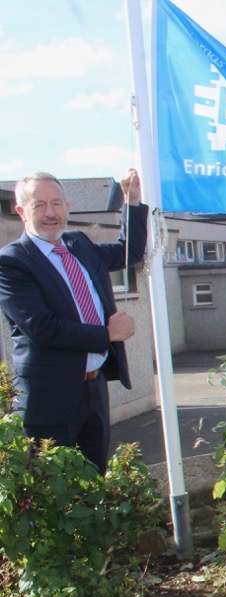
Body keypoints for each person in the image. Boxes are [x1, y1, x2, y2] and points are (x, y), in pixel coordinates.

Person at [0, 170, 145, 475]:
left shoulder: (78, 244)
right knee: (52, 488)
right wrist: (107, 334)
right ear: (21, 211)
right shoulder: (12, 262)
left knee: (94, 481)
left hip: (94, 388)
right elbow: (41, 327)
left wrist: (131, 202)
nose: (50, 213)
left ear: (67, 207)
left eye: (56, 203)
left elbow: (127, 252)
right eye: (39, 205)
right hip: (49, 398)